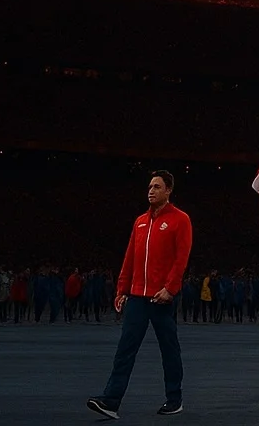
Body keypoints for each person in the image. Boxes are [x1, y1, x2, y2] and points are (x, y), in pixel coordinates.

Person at [86, 171, 193, 420]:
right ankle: (111, 401)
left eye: (157, 186)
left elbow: (181, 258)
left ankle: (174, 399)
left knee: (169, 350)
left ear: (169, 191)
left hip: (161, 297)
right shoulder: (140, 221)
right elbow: (130, 258)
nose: (151, 190)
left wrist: (170, 288)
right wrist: (121, 289)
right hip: (137, 297)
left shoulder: (181, 220)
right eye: (149, 186)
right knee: (125, 349)